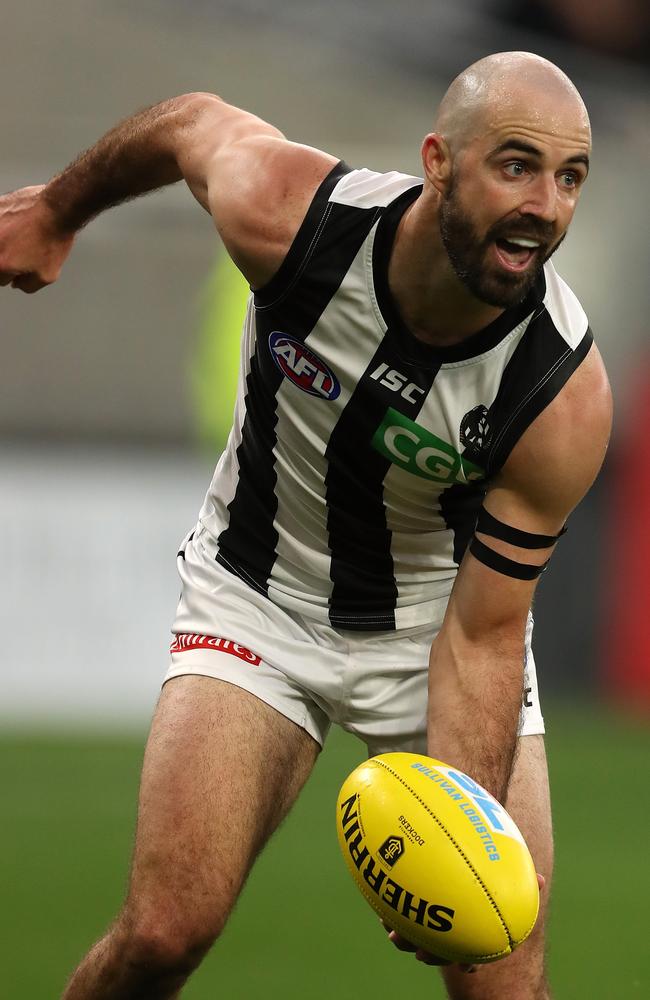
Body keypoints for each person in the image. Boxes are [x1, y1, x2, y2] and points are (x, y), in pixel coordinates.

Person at [0, 50, 611, 1000]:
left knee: (499, 972)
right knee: (164, 933)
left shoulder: (559, 395)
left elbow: (486, 635)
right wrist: (56, 210)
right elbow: (189, 123)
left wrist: (462, 840)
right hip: (260, 595)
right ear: (439, 162)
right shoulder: (297, 219)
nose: (546, 205)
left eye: (570, 176)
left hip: (432, 629)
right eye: (517, 165)